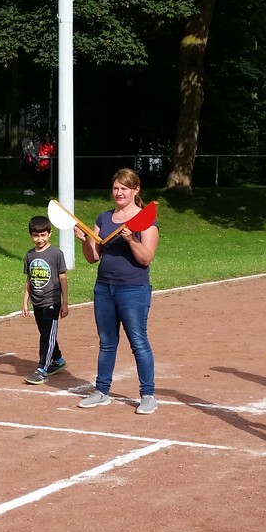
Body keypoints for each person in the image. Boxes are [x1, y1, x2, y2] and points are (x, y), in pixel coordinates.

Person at [74, 168, 160, 414]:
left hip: (133, 289)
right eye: (116, 188)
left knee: (138, 342)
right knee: (107, 342)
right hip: (104, 288)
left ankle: (148, 396)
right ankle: (101, 392)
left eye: (124, 188)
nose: (119, 193)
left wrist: (131, 239)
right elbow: (93, 257)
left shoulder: (145, 220)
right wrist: (85, 240)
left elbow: (146, 258)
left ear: (135, 190)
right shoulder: (104, 218)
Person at [21, 215, 69, 385]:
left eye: (43, 235)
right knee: (45, 334)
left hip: (52, 301)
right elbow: (29, 280)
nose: (39, 239)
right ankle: (58, 360)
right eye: (36, 235)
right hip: (37, 301)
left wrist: (65, 302)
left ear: (49, 233)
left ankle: (42, 369)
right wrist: (25, 302)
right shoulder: (30, 255)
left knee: (47, 335)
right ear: (31, 235)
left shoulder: (56, 254)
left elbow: (62, 278)